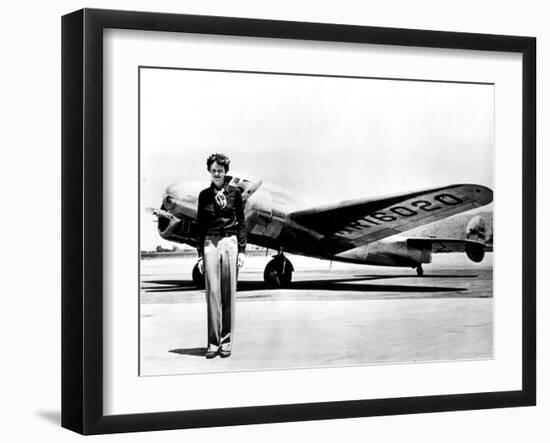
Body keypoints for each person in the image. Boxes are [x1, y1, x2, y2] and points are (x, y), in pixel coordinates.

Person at [196, 153, 246, 359]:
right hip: (210, 242)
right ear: (209, 171)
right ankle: (213, 343)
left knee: (228, 294)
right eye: (213, 170)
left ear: (226, 171)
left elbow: (242, 223)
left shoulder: (235, 194)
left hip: (230, 242)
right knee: (212, 295)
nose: (217, 173)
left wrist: (242, 251)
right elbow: (199, 226)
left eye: (220, 170)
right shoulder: (204, 196)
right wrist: (200, 254)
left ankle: (226, 342)